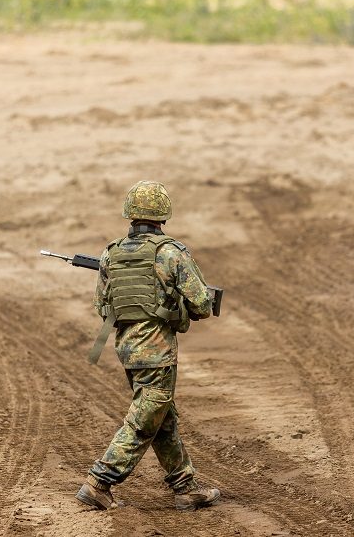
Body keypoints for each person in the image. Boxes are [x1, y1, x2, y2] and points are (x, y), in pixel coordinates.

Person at [75, 180, 221, 512]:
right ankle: (100, 482)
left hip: (127, 349)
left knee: (161, 418)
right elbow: (201, 304)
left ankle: (185, 487)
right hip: (157, 351)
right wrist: (176, 310)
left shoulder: (110, 253)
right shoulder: (170, 252)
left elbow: (102, 307)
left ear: (131, 214)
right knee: (143, 421)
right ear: (162, 216)